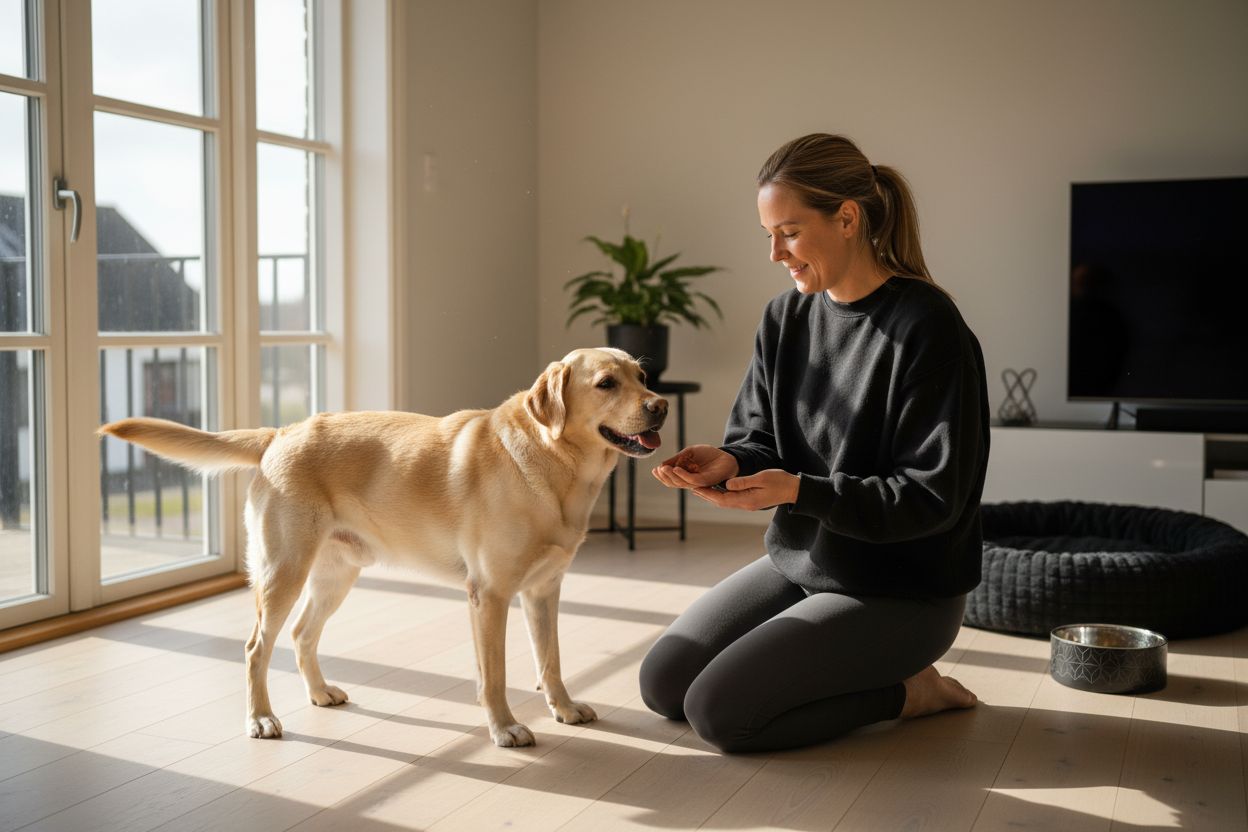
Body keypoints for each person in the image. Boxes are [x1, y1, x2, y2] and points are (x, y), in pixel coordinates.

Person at [639, 133, 989, 753]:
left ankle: (911, 693)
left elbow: (932, 497)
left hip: (901, 589)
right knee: (663, 684)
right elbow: (760, 436)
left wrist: (802, 491)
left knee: (720, 714)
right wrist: (730, 461)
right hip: (804, 563)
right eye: (769, 235)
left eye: (790, 233)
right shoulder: (785, 319)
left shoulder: (928, 328)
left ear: (848, 218)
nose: (775, 252)